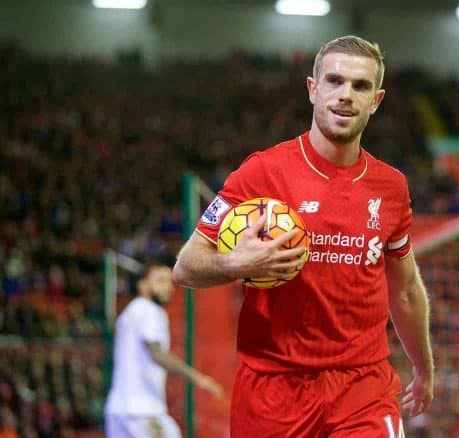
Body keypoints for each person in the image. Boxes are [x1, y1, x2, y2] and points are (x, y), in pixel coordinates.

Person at [173, 35, 434, 437]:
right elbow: (186, 266)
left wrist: (423, 366)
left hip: (362, 386)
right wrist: (238, 263)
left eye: (360, 86)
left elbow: (405, 289)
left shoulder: (391, 187)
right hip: (273, 388)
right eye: (334, 81)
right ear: (314, 89)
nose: (346, 95)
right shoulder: (261, 173)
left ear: (377, 100)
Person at [104, 264, 223, 438]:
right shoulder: (151, 311)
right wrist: (197, 377)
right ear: (142, 285)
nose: (168, 287)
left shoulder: (129, 312)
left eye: (169, 282)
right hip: (143, 412)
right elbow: (157, 354)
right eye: (160, 281)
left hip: (117, 411)